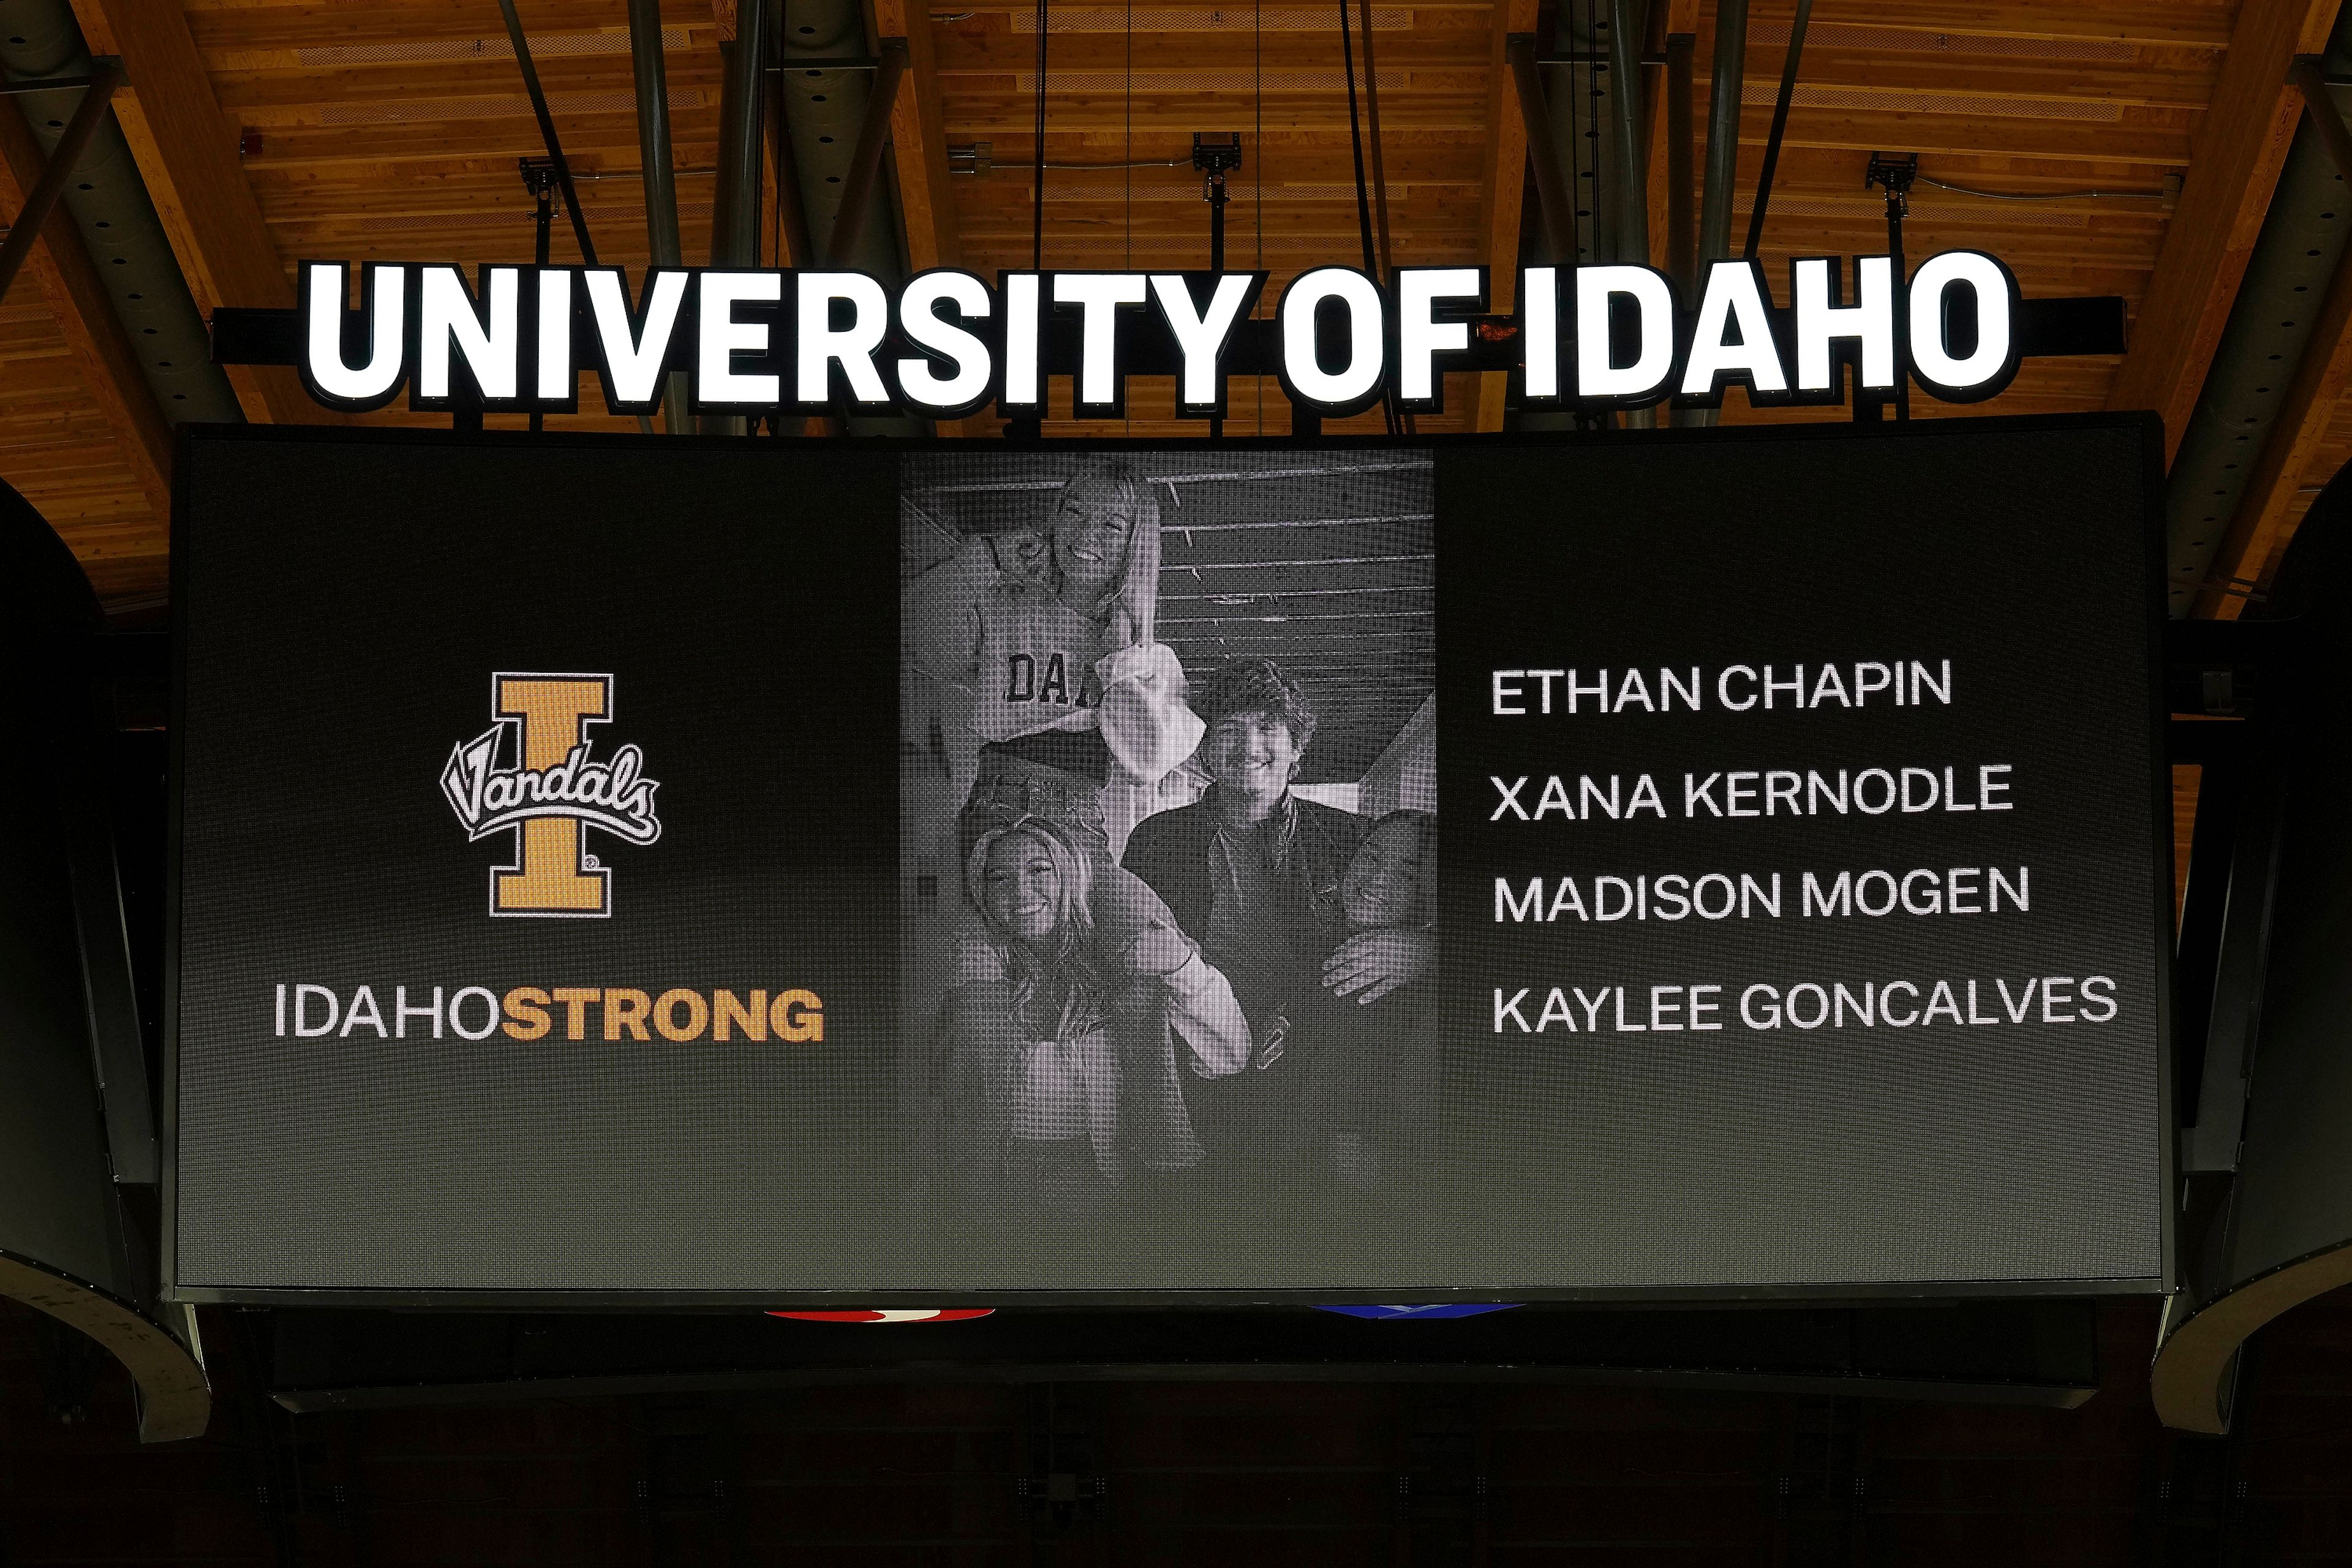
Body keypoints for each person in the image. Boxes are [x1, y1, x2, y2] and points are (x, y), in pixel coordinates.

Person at [1120, 658, 1434, 1161]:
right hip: (1192, 1071)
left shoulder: (1350, 835)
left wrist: (1426, 947)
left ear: (1296, 754)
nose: (1247, 745)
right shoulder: (1155, 840)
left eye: (1267, 728)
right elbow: (1125, 952)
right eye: (1229, 728)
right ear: (1203, 747)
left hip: (1317, 1085)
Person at [911, 816, 1250, 1242]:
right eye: (999, 878)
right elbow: (935, 1095)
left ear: (1069, 877)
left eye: (1039, 870)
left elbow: (1232, 1057)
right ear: (982, 895)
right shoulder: (975, 986)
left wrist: (1185, 968)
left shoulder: (1125, 965)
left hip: (1115, 1179)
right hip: (1002, 1184)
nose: (1020, 892)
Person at [903, 458, 1202, 872]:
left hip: (1082, 810)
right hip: (997, 797)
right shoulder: (1006, 605)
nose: (1084, 535)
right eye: (1073, 511)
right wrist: (985, 558)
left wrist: (1122, 653)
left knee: (1099, 932)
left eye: (1111, 527)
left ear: (1135, 546)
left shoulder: (1150, 658)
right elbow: (920, 645)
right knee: (978, 937)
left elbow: (1149, 760)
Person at [1297, 810, 1441, 1190]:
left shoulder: (1414, 983)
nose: (1372, 881)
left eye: (1406, 876)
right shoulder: (1299, 924)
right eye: (1371, 856)